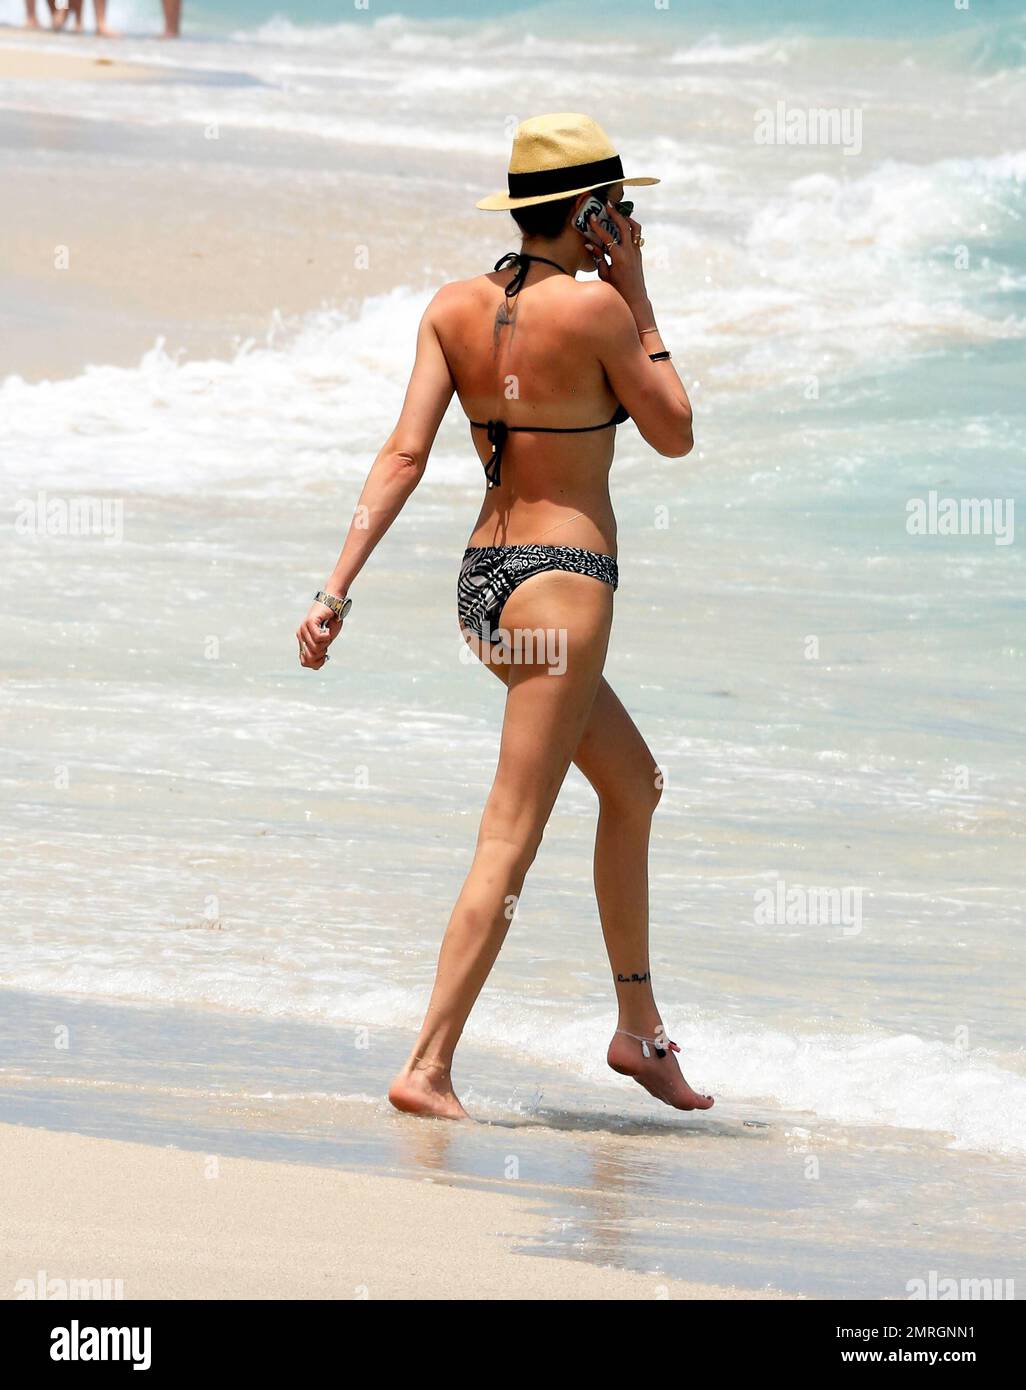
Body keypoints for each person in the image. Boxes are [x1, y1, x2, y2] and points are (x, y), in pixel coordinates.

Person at [296, 113, 711, 1121]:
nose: (625, 221)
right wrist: (640, 292)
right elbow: (677, 430)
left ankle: (638, 1031)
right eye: (618, 207)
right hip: (563, 586)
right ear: (590, 213)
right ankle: (428, 1064)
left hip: (484, 592)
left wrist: (334, 589)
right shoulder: (600, 311)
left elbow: (400, 456)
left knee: (634, 785)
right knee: (511, 833)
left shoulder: (453, 307)